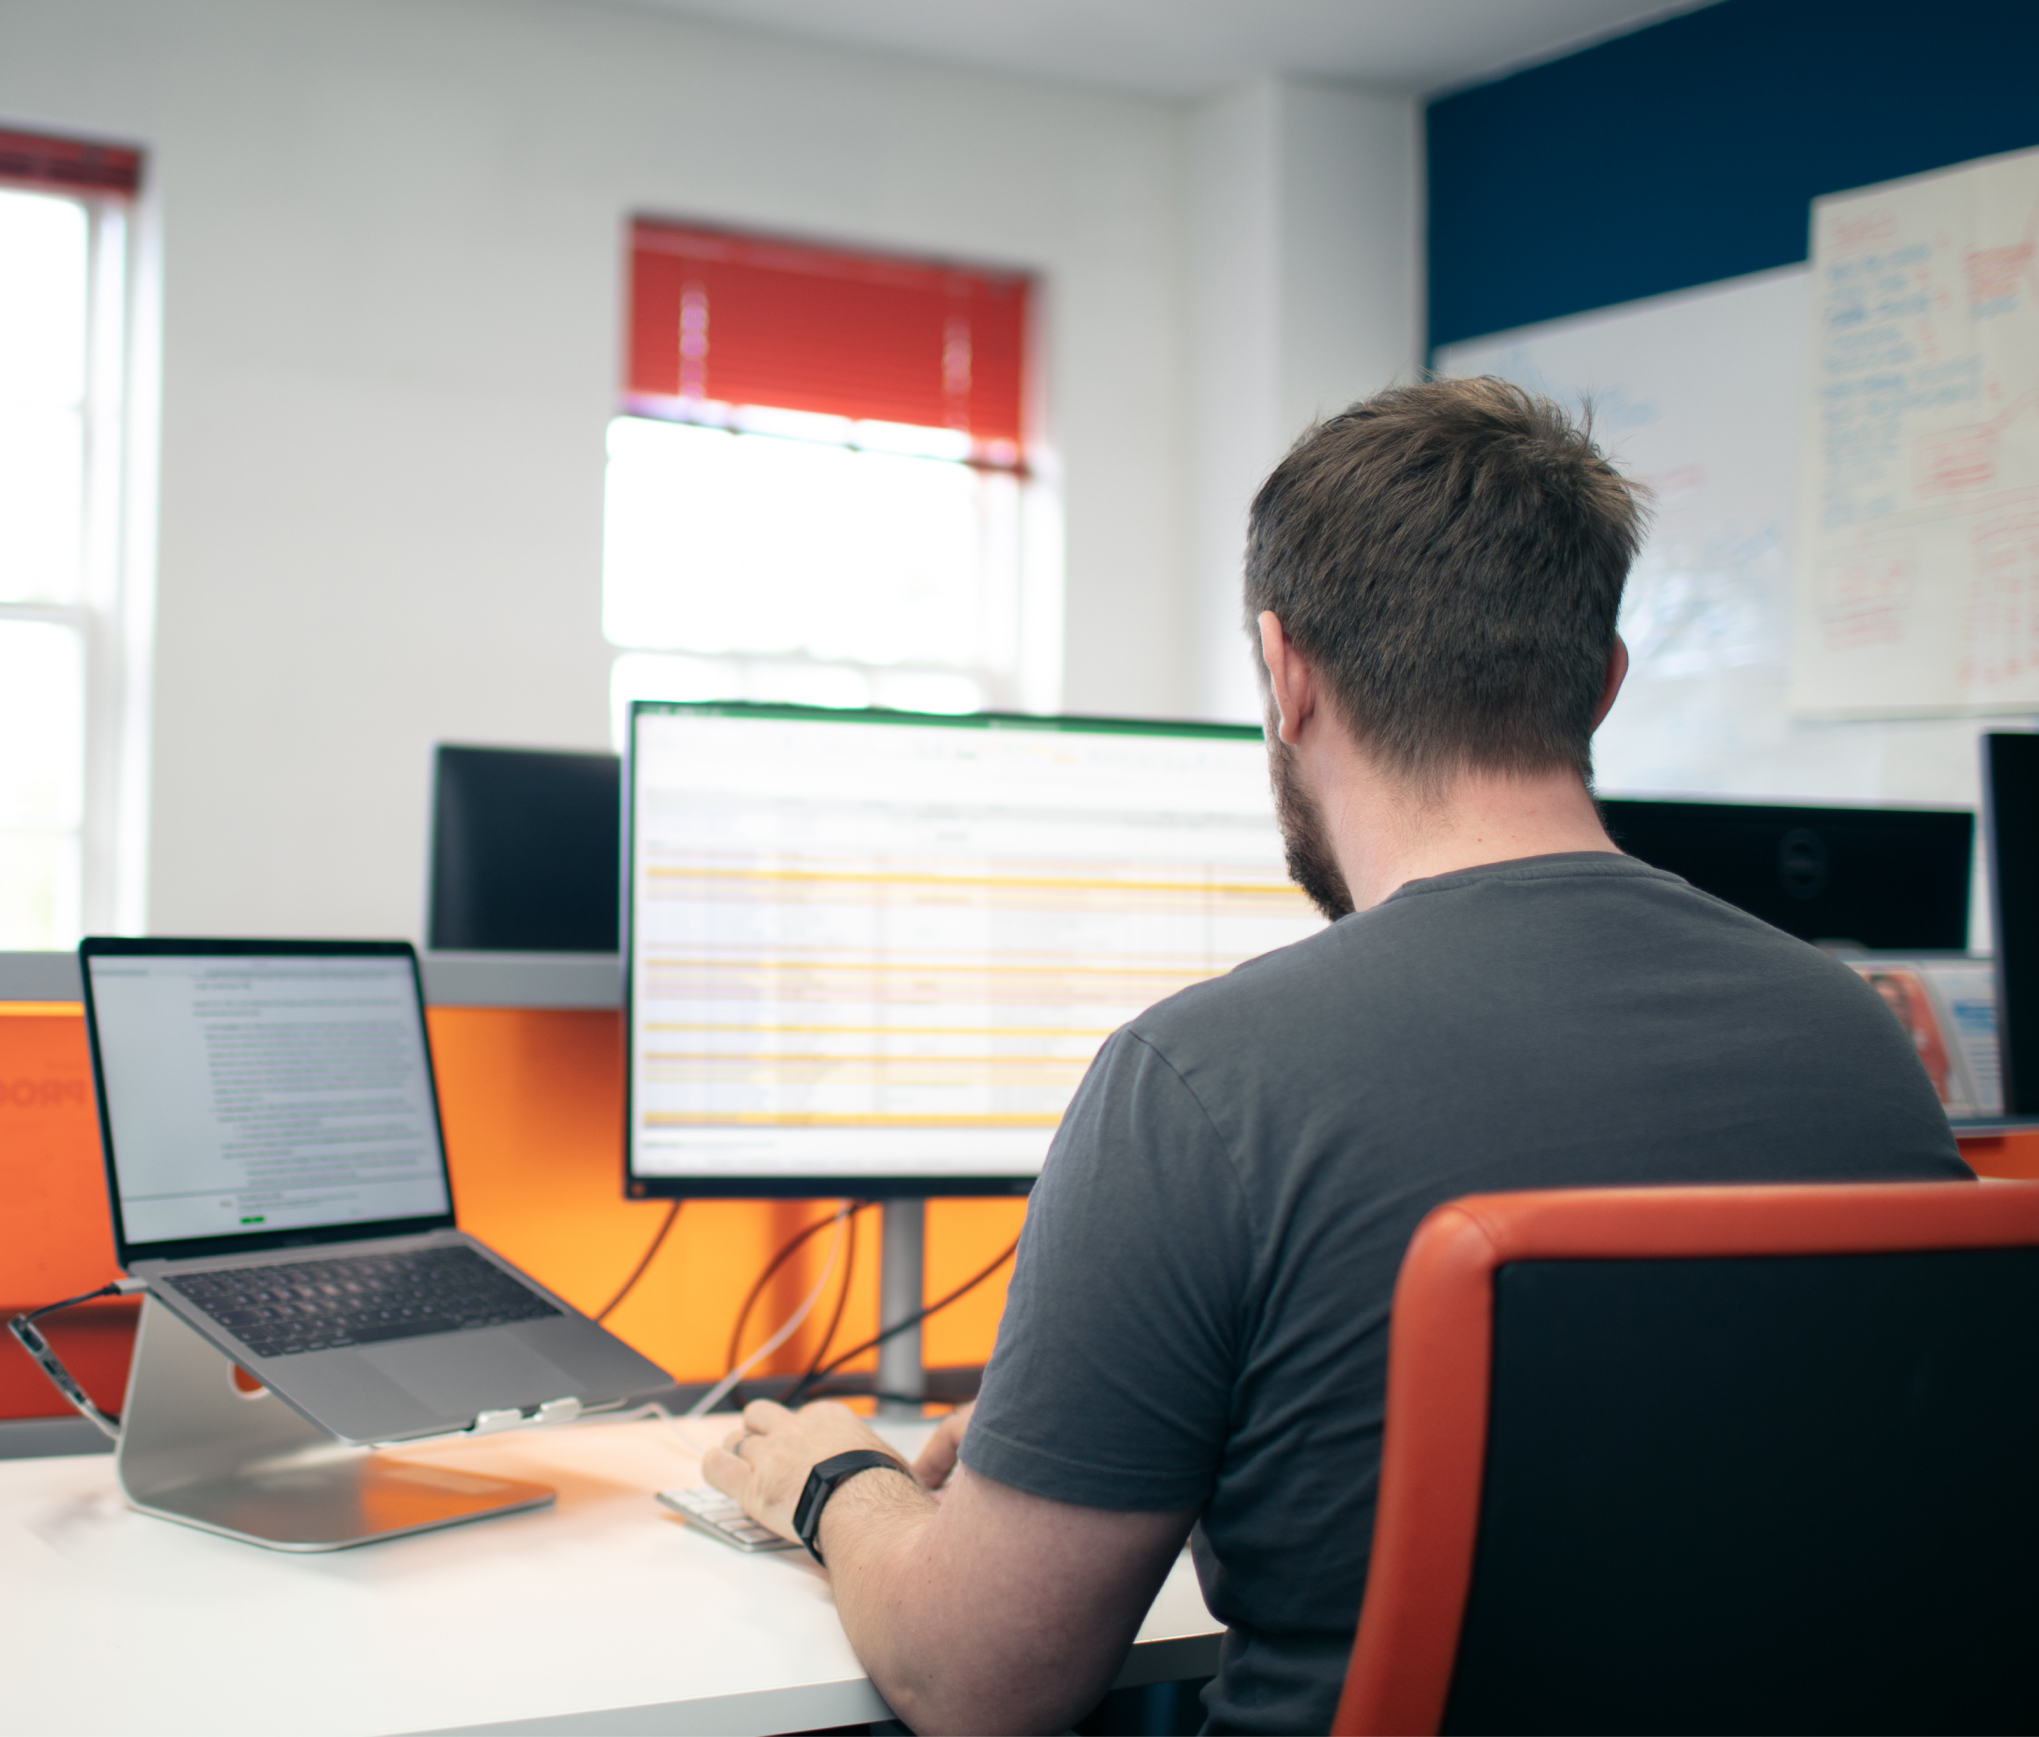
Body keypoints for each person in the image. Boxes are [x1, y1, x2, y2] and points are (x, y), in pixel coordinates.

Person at [703, 378, 1972, 1735]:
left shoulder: (1200, 1081)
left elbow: (980, 1683)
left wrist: (842, 1478)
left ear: (1285, 669)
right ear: (1601, 683)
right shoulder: (1859, 1038)